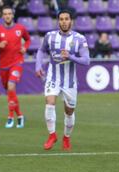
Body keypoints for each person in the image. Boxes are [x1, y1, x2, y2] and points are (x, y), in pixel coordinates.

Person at [35, 9, 90, 151]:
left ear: (71, 21)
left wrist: (70, 56)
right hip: (52, 77)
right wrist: (38, 65)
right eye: (61, 19)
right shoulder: (50, 36)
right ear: (58, 21)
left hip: (70, 82)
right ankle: (52, 135)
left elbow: (86, 60)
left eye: (66, 19)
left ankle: (66, 137)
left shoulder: (79, 39)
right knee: (49, 102)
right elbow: (41, 50)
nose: (64, 22)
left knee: (69, 111)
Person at [0, 5, 30, 129]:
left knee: (11, 86)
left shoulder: (20, 28)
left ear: (13, 15)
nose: (7, 16)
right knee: (10, 91)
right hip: (3, 66)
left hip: (17, 62)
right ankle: (20, 115)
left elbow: (28, 40)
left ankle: (10, 117)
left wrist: (25, 48)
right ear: (2, 16)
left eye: (9, 14)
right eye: (5, 14)